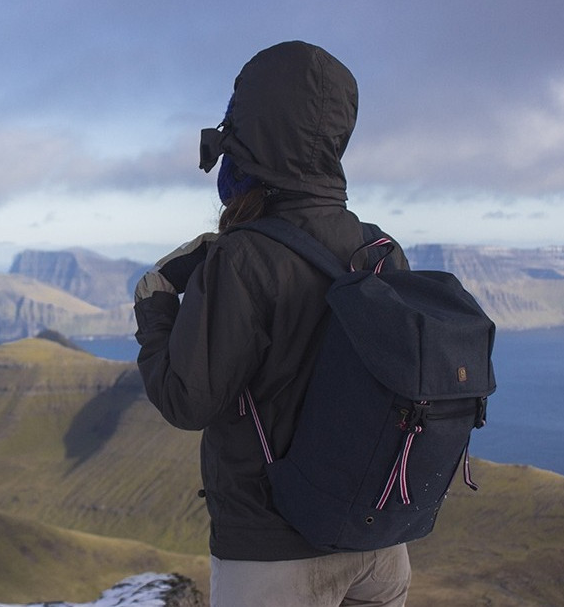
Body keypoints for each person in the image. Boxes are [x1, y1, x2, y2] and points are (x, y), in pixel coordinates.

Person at [133, 41, 412, 606]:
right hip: (380, 545)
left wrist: (156, 305)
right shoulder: (380, 250)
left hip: (275, 554)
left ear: (249, 142)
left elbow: (186, 400)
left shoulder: (240, 260)